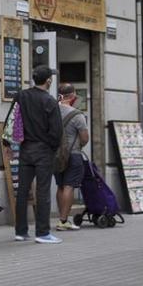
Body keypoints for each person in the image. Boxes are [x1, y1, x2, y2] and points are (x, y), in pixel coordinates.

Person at [14, 64, 63, 243]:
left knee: (22, 191)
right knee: (43, 191)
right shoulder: (50, 101)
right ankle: (42, 232)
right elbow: (56, 130)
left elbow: (13, 119)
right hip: (43, 150)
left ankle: (20, 231)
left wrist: (7, 142)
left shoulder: (21, 96)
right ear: (49, 81)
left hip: (25, 148)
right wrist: (52, 147)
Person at [54, 84, 90, 232]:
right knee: (69, 186)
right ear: (73, 95)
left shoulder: (52, 111)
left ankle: (61, 218)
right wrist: (78, 145)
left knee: (60, 186)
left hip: (56, 155)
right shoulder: (77, 115)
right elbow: (84, 138)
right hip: (73, 155)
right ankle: (63, 220)